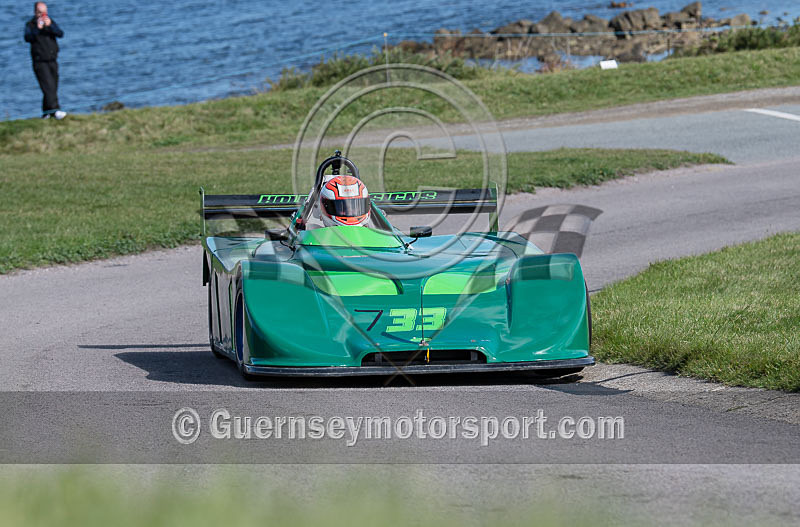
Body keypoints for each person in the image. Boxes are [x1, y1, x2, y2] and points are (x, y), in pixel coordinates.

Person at [24, 2, 66, 119]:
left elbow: (60, 33)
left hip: (52, 59)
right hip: (39, 61)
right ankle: (55, 110)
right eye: (40, 13)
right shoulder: (30, 25)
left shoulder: (50, 22)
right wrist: (38, 28)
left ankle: (47, 112)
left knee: (53, 85)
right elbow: (27, 38)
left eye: (44, 12)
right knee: (48, 86)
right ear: (35, 12)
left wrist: (51, 25)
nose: (43, 15)